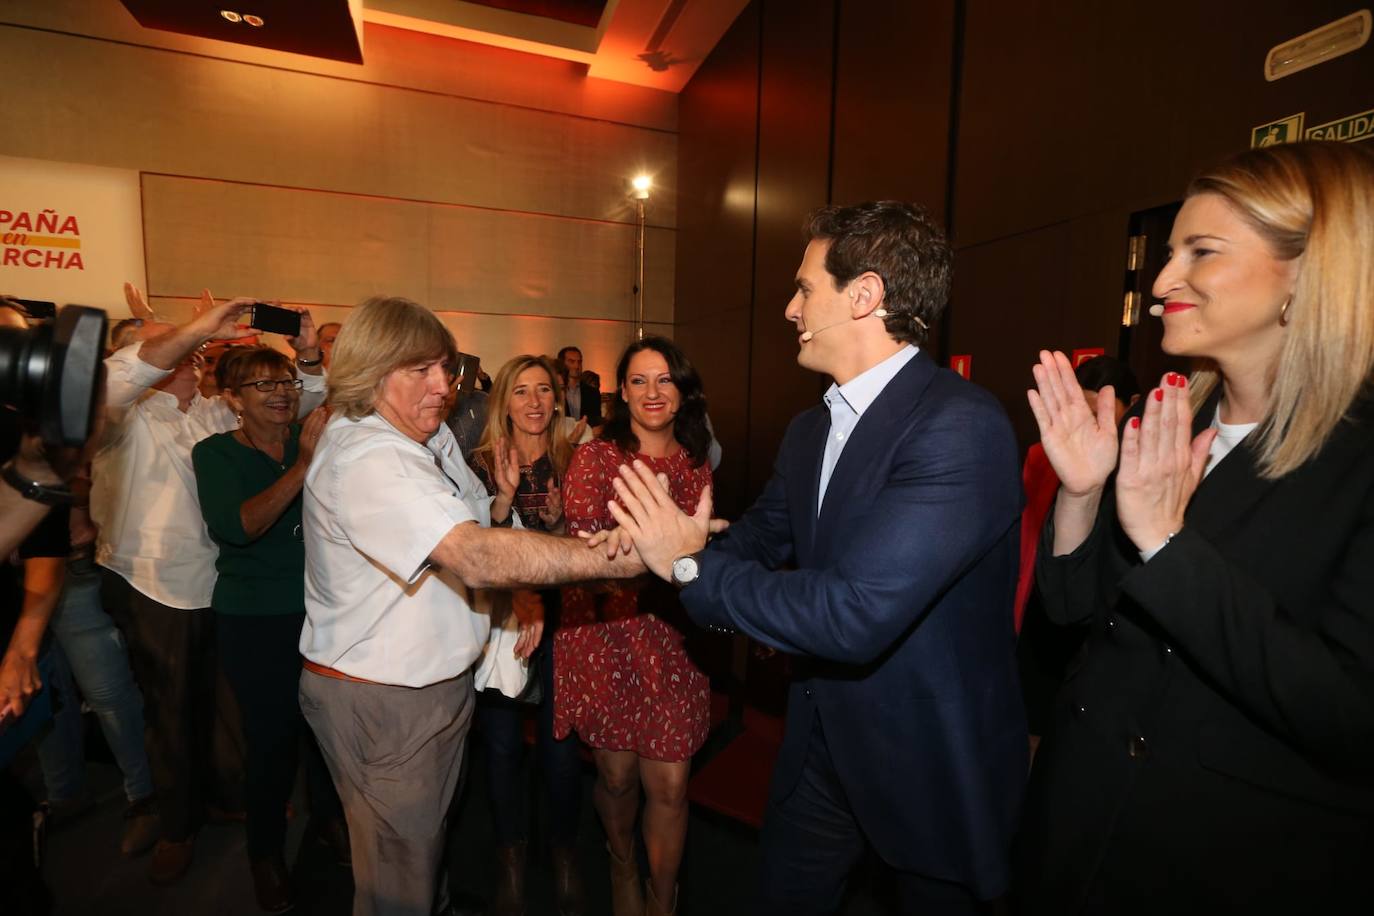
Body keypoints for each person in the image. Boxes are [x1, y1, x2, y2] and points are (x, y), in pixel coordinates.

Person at [599, 202, 1027, 913]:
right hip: (821, 745)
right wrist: (663, 541)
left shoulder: (961, 426)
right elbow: (762, 537)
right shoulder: (810, 428)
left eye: (805, 289)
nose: (790, 308)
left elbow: (854, 613)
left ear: (864, 296)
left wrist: (688, 566)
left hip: (926, 762)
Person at [1016, 141, 1374, 912]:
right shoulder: (1169, 415)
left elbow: (1351, 716)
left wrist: (1168, 546)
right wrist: (1081, 494)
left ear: (1308, 275)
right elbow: (1075, 614)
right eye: (1171, 250)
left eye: (1200, 252)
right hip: (1079, 828)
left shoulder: (1360, 457)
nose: (1164, 280)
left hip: (1220, 858)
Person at [297, 296, 644, 916]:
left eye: (446, 369)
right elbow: (475, 554)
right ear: (371, 371)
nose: (444, 387)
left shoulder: (422, 436)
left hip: (424, 691)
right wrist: (625, 557)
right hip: (386, 700)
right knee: (398, 880)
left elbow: (470, 523)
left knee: (421, 859)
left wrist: (514, 572)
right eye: (422, 371)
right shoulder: (370, 457)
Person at [92, 285, 326, 885]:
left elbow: (301, 408)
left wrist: (303, 358)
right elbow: (115, 381)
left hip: (220, 588)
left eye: (195, 353)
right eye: (172, 349)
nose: (190, 358)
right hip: (153, 584)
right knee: (171, 714)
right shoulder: (121, 418)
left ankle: (229, 802)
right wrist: (197, 325)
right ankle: (175, 826)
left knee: (230, 717)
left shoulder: (213, 413)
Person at [554, 337, 714, 916]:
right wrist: (621, 551)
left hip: (673, 637)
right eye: (640, 381)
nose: (653, 392)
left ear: (682, 391)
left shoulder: (695, 464)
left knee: (670, 785)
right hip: (606, 636)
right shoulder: (596, 458)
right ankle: (621, 865)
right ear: (622, 392)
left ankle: (660, 898)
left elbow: (703, 552)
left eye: (665, 379)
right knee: (618, 779)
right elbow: (582, 544)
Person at [191, 347, 346, 912]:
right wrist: (305, 466)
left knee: (327, 730)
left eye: (285, 382)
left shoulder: (312, 431)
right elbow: (240, 526)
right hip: (255, 617)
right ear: (232, 400)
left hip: (324, 610)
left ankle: (329, 820)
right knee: (272, 740)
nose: (281, 393)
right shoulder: (215, 454)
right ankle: (265, 853)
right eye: (262, 386)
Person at [467, 355, 586, 916]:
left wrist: (561, 526)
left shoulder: (576, 461)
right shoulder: (478, 464)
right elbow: (473, 551)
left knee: (561, 751)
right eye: (522, 391)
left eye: (544, 391)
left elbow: (584, 552)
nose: (535, 402)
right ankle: (510, 855)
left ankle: (563, 852)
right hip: (501, 621)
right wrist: (506, 498)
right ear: (503, 403)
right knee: (501, 746)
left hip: (566, 620)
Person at [1016, 356, 1139, 752]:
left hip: (1097, 614)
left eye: (1098, 410)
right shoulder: (1042, 455)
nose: (1087, 421)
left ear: (1131, 404)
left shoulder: (1138, 468)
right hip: (1044, 597)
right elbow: (1028, 533)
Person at [557, 346, 603, 429]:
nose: (577, 366)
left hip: (587, 438)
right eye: (572, 361)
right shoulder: (555, 391)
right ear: (562, 363)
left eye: (579, 362)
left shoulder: (592, 392)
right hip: (561, 438)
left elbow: (596, 421)